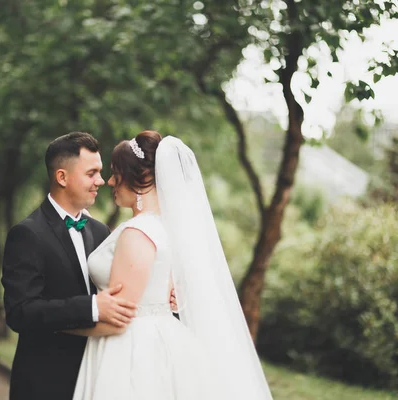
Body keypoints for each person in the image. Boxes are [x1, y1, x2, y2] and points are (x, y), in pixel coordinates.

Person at [66, 130, 273, 400]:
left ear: (140, 177)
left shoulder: (138, 233)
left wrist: (61, 325)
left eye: (117, 172)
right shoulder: (166, 227)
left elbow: (119, 319)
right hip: (156, 339)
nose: (110, 181)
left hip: (129, 351)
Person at [1, 132, 138, 400]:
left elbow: (120, 289)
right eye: (92, 173)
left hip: (96, 378)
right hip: (46, 384)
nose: (101, 181)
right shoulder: (27, 234)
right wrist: (92, 307)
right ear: (62, 177)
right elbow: (20, 312)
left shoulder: (99, 231)